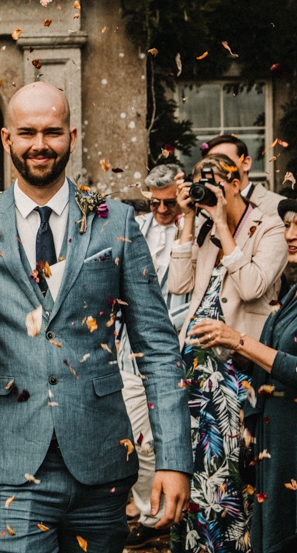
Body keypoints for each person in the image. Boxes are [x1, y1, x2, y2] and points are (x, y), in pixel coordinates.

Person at [0, 81, 191, 552]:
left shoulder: (115, 222)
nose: (40, 145)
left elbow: (157, 346)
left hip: (101, 461)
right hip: (9, 458)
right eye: (28, 132)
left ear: (72, 136)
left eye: (53, 132)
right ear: (6, 139)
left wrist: (173, 460)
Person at [193, 191, 297, 552]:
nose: (289, 234)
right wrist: (226, 353)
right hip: (280, 454)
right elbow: (275, 360)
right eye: (286, 225)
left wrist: (239, 340)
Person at [168, 153, 287, 552]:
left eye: (216, 181)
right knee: (194, 466)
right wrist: (189, 220)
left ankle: (231, 545)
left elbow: (253, 286)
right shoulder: (202, 228)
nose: (210, 191)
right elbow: (179, 284)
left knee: (230, 469)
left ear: (237, 182)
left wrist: (222, 224)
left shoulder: (268, 226)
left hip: (237, 368)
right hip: (196, 366)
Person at [120, 163, 194, 550]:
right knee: (135, 435)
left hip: (182, 343)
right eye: (155, 203)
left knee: (167, 434)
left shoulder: (195, 230)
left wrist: (189, 221)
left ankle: (158, 517)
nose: (162, 211)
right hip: (131, 348)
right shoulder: (136, 227)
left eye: (169, 204)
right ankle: (146, 508)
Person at [203, 134, 282, 215]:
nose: (217, 169)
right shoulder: (206, 209)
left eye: (225, 162)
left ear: (245, 163)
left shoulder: (277, 205)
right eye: (211, 164)